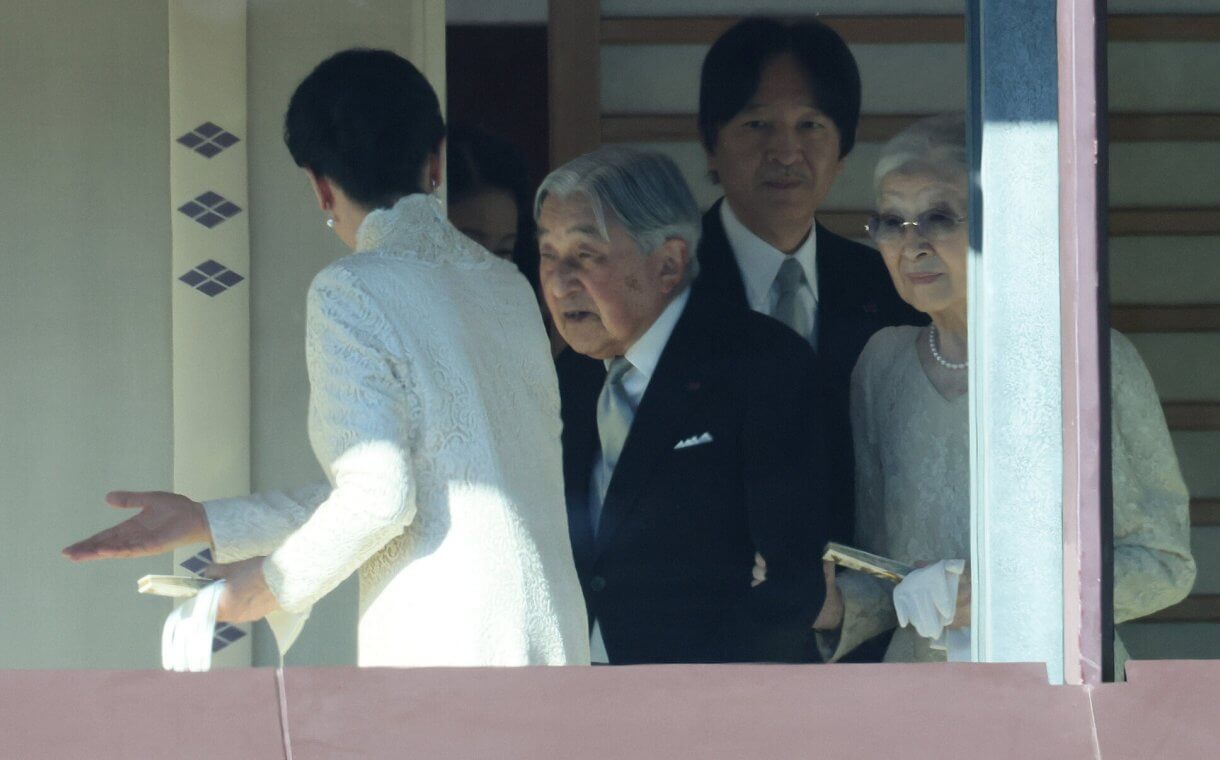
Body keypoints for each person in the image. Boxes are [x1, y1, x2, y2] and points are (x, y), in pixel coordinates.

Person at [63, 49, 590, 667]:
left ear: (318, 184)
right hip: (553, 640)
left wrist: (266, 585)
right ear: (436, 159)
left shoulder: (352, 289)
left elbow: (380, 498)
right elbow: (410, 484)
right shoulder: (509, 289)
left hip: (443, 650)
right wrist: (210, 521)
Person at [818, 113, 1196, 670]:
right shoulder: (883, 365)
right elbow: (892, 574)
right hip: (921, 703)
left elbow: (1164, 565)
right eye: (892, 222)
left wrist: (1003, 595)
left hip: (1053, 692)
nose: (911, 245)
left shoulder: (1086, 358)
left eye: (937, 218)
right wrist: (835, 605)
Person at [539, 146, 833, 664]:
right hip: (579, 695)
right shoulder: (564, 377)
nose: (560, 283)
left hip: (715, 707)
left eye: (586, 255)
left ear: (669, 262)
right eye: (548, 255)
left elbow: (793, 580)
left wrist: (698, 702)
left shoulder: (759, 364)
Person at [692, 17, 926, 548]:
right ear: (711, 143)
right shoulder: (665, 282)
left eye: (811, 126)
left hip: (862, 610)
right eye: (757, 125)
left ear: (842, 152)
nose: (785, 151)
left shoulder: (891, 287)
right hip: (711, 610)